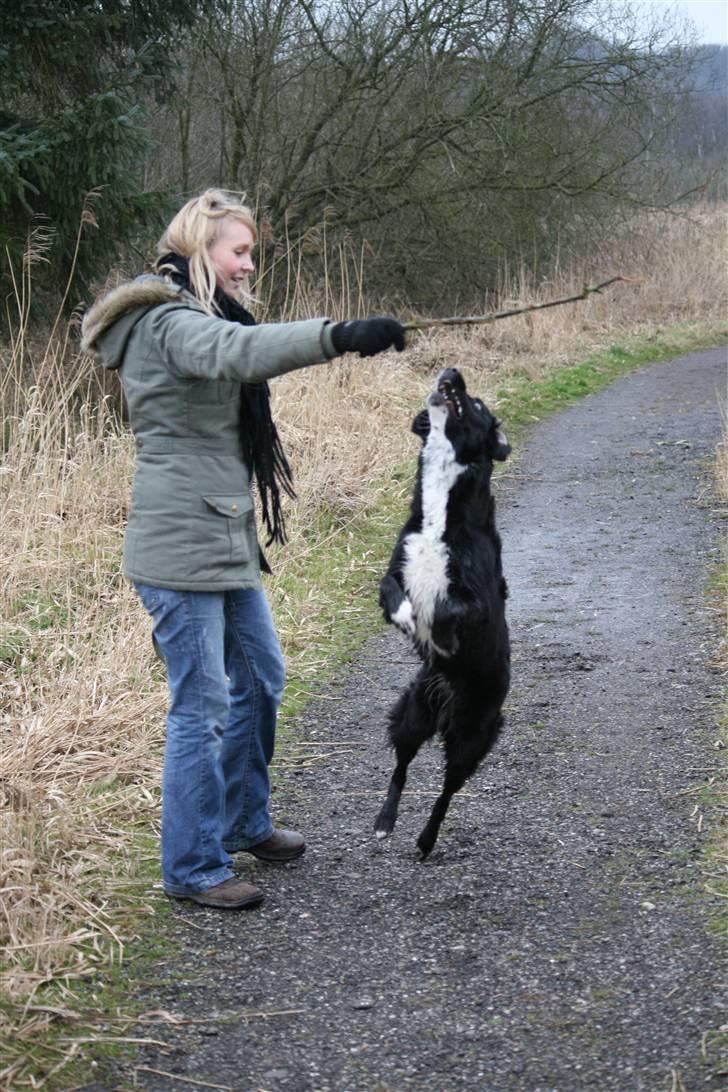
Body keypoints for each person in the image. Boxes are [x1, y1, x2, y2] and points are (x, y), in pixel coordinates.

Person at [81, 189, 406, 910]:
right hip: (180, 543)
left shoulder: (196, 314)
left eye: (250, 251)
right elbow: (238, 355)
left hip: (221, 531)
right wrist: (337, 335)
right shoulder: (169, 324)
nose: (249, 265)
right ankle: (192, 868)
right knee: (202, 707)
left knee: (260, 678)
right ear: (202, 249)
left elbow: (235, 347)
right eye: (239, 251)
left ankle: (240, 822)